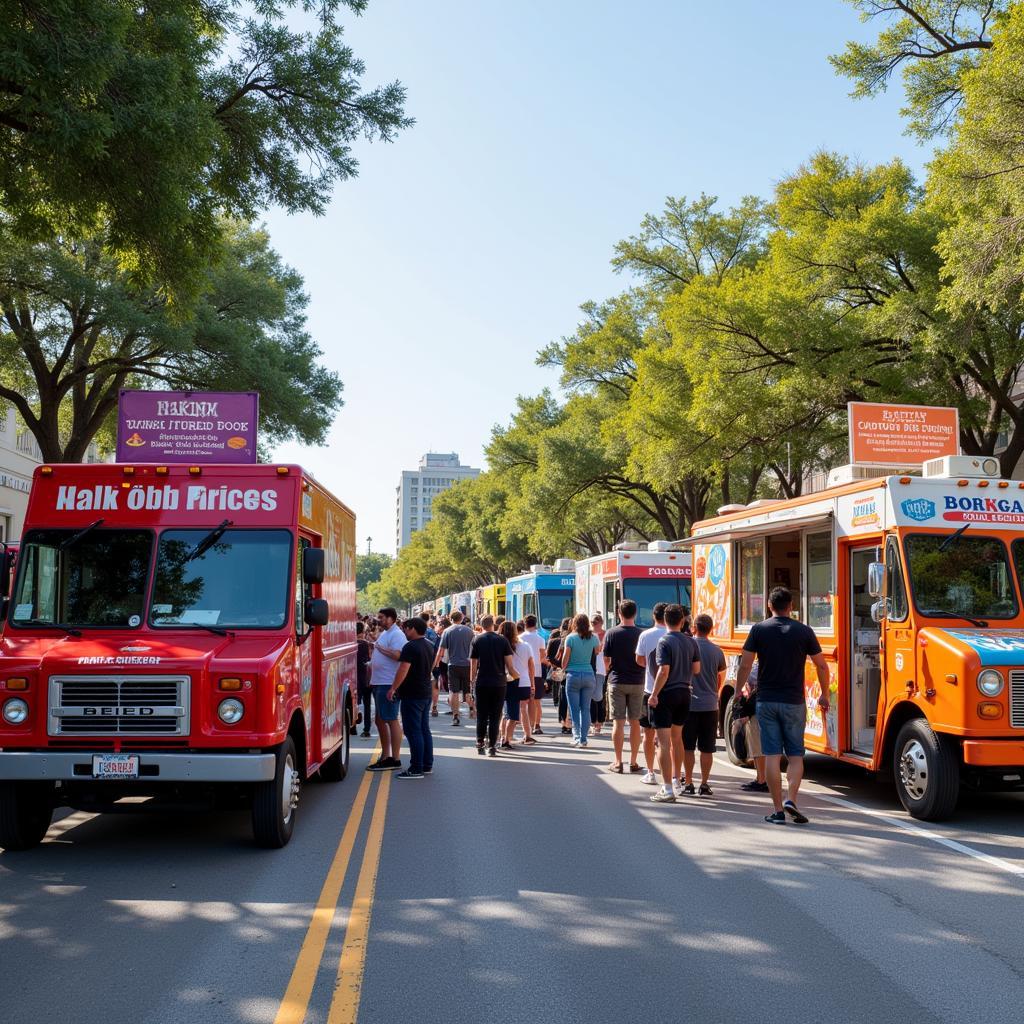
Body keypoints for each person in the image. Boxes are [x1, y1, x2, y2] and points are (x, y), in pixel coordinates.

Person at [735, 587, 829, 825]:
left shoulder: (759, 630)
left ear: (769, 605)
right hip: (794, 702)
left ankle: (777, 811)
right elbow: (822, 665)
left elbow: (745, 665)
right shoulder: (804, 631)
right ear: (791, 606)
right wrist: (824, 694)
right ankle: (792, 799)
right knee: (796, 756)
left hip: (766, 701)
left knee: (772, 756)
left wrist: (738, 690)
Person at [648, 604, 700, 803]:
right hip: (685, 692)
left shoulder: (664, 641)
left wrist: (654, 694)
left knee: (663, 742)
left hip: (667, 693)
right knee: (677, 739)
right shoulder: (691, 642)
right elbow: (696, 669)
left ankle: (666, 787)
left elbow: (663, 671)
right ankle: (677, 780)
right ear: (682, 621)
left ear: (664, 620)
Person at [683, 614, 726, 796]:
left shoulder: (687, 647)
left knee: (688, 747)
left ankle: (689, 782)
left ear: (694, 627)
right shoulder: (717, 650)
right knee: (707, 748)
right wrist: (714, 691)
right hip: (710, 705)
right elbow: (721, 676)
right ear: (711, 629)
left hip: (689, 704)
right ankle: (705, 783)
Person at [387, 618, 435, 779]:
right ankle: (427, 765)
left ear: (412, 629)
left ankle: (416, 768)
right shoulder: (429, 644)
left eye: (405, 629)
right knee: (424, 729)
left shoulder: (410, 647)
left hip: (412, 694)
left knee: (413, 731)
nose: (404, 632)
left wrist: (393, 688)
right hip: (425, 692)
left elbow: (403, 669)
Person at [603, 599, 644, 773]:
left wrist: (608, 671)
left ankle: (618, 762)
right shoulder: (641, 634)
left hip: (617, 681)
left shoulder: (611, 633)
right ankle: (633, 761)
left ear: (619, 613)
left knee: (618, 723)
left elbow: (606, 659)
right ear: (635, 614)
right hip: (637, 681)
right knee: (635, 723)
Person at [470, 615, 516, 756]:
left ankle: (479, 742)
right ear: (493, 625)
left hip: (482, 682)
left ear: (481, 625)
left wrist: (471, 682)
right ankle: (492, 746)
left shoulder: (476, 639)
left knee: (482, 715)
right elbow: (509, 664)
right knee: (496, 715)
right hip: (499, 683)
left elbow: (473, 664)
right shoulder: (502, 640)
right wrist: (515, 676)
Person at [634, 602, 669, 785]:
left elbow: (639, 659)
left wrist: (651, 668)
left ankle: (650, 772)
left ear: (653, 617)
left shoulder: (645, 635)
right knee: (669, 735)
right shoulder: (676, 636)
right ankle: (672, 775)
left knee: (646, 733)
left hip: (649, 689)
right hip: (670, 690)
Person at [367, 607, 405, 771]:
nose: (379, 620)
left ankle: (394, 758)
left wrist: (379, 648)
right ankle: (386, 755)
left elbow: (399, 655)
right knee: (380, 719)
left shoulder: (396, 634)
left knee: (390, 719)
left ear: (391, 618)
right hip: (380, 682)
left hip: (388, 683)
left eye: (382, 617)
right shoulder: (386, 633)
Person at [561, 613, 600, 747]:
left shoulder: (570, 638)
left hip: (573, 675)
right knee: (586, 708)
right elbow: (597, 651)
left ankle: (576, 736)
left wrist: (563, 668)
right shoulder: (594, 637)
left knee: (574, 709)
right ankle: (584, 739)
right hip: (589, 675)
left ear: (574, 624)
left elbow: (565, 658)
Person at [500, 620, 535, 748]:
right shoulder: (525, 646)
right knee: (521, 710)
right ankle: (525, 734)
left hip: (506, 681)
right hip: (523, 681)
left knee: (506, 712)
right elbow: (531, 667)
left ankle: (504, 738)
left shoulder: (501, 646)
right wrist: (532, 684)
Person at [436, 610, 474, 727]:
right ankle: (472, 708)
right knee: (467, 690)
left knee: (453, 691)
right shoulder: (469, 631)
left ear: (451, 619)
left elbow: (441, 651)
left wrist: (436, 664)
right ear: (462, 618)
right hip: (467, 664)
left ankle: (455, 716)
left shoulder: (447, 631)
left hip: (453, 665)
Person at [735, 662, 768, 792]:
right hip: (762, 706)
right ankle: (760, 778)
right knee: (757, 746)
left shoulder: (763, 664)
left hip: (757, 709)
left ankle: (762, 780)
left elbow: (749, 676)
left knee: (757, 746)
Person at [520, 614, 548, 734]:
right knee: (536, 701)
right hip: (536, 672)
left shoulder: (519, 638)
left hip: (522, 673)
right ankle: (536, 725)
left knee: (522, 703)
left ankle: (526, 727)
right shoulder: (541, 639)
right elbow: (542, 657)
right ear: (535, 624)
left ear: (524, 624)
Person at [590, 613, 607, 736]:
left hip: (602, 669)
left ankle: (599, 722)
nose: (594, 625)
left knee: (599, 697)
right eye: (592, 623)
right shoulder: (589, 635)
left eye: (596, 623)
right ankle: (593, 723)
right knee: (591, 697)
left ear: (601, 623)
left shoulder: (606, 635)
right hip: (590, 668)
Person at [356, 620, 373, 738]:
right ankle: (366, 728)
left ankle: (352, 727)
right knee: (367, 704)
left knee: (355, 703)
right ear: (362, 632)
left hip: (354, 677)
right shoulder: (366, 644)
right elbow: (370, 659)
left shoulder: (351, 644)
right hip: (366, 677)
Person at [423, 616, 441, 716]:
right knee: (434, 685)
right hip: (434, 661)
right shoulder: (433, 633)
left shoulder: (417, 632)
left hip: (421, 662)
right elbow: (438, 649)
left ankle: (424, 707)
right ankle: (434, 707)